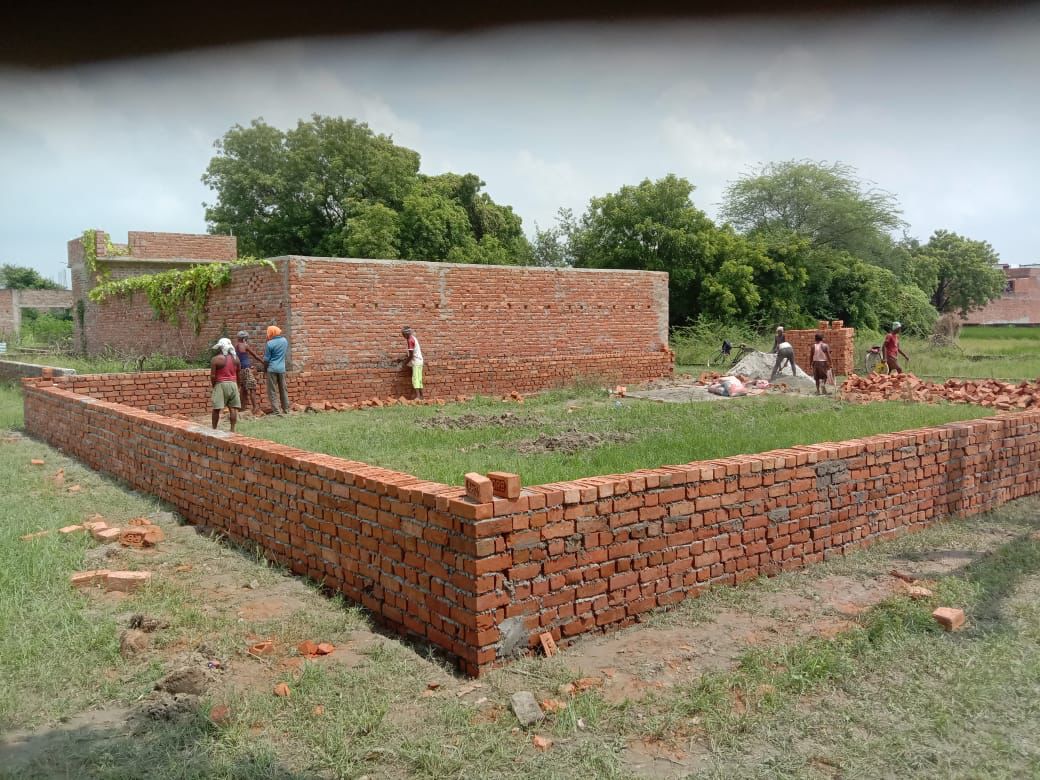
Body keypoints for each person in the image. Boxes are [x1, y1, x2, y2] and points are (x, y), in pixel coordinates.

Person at [210, 337, 241, 431]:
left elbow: (213, 376)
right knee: (233, 408)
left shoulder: (216, 359)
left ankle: (214, 429)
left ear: (220, 347)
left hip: (220, 384)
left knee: (216, 409)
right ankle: (232, 429)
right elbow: (238, 374)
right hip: (233, 384)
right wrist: (238, 386)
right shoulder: (236, 359)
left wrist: (214, 385)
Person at [235, 330, 264, 416]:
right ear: (244, 339)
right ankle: (255, 408)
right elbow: (255, 356)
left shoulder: (236, 346)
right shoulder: (245, 346)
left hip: (240, 370)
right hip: (246, 370)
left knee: (243, 389)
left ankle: (241, 407)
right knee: (252, 387)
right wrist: (264, 362)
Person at [263, 325, 290, 415]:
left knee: (272, 391)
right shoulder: (284, 341)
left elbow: (266, 360)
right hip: (282, 369)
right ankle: (286, 409)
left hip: (272, 369)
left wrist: (264, 370)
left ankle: (277, 411)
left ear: (270, 333)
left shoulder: (269, 344)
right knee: (283, 389)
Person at [401, 326, 424, 400]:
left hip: (416, 362)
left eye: (403, 334)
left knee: (415, 379)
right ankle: (421, 396)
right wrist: (402, 359)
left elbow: (411, 355)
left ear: (406, 334)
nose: (403, 336)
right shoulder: (413, 338)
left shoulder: (410, 340)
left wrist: (404, 363)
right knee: (419, 379)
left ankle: (418, 397)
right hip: (419, 361)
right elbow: (411, 353)